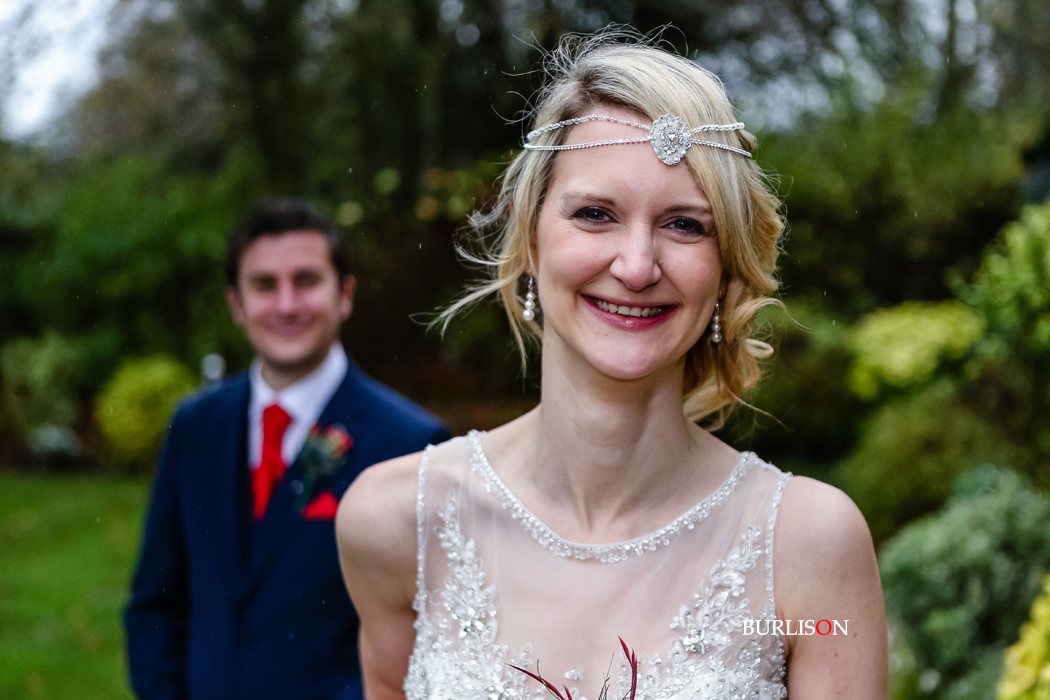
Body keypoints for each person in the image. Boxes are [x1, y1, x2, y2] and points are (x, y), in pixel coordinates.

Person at [336, 34, 888, 700]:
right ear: (532, 239)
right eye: (595, 214)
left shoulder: (809, 545)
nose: (635, 266)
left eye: (685, 225)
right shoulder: (397, 523)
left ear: (725, 268)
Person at [124, 199, 450, 700]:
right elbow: (156, 601)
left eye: (306, 280)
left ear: (344, 295)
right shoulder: (194, 427)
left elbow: (430, 641)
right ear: (236, 304)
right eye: (264, 285)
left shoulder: (411, 444)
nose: (285, 304)